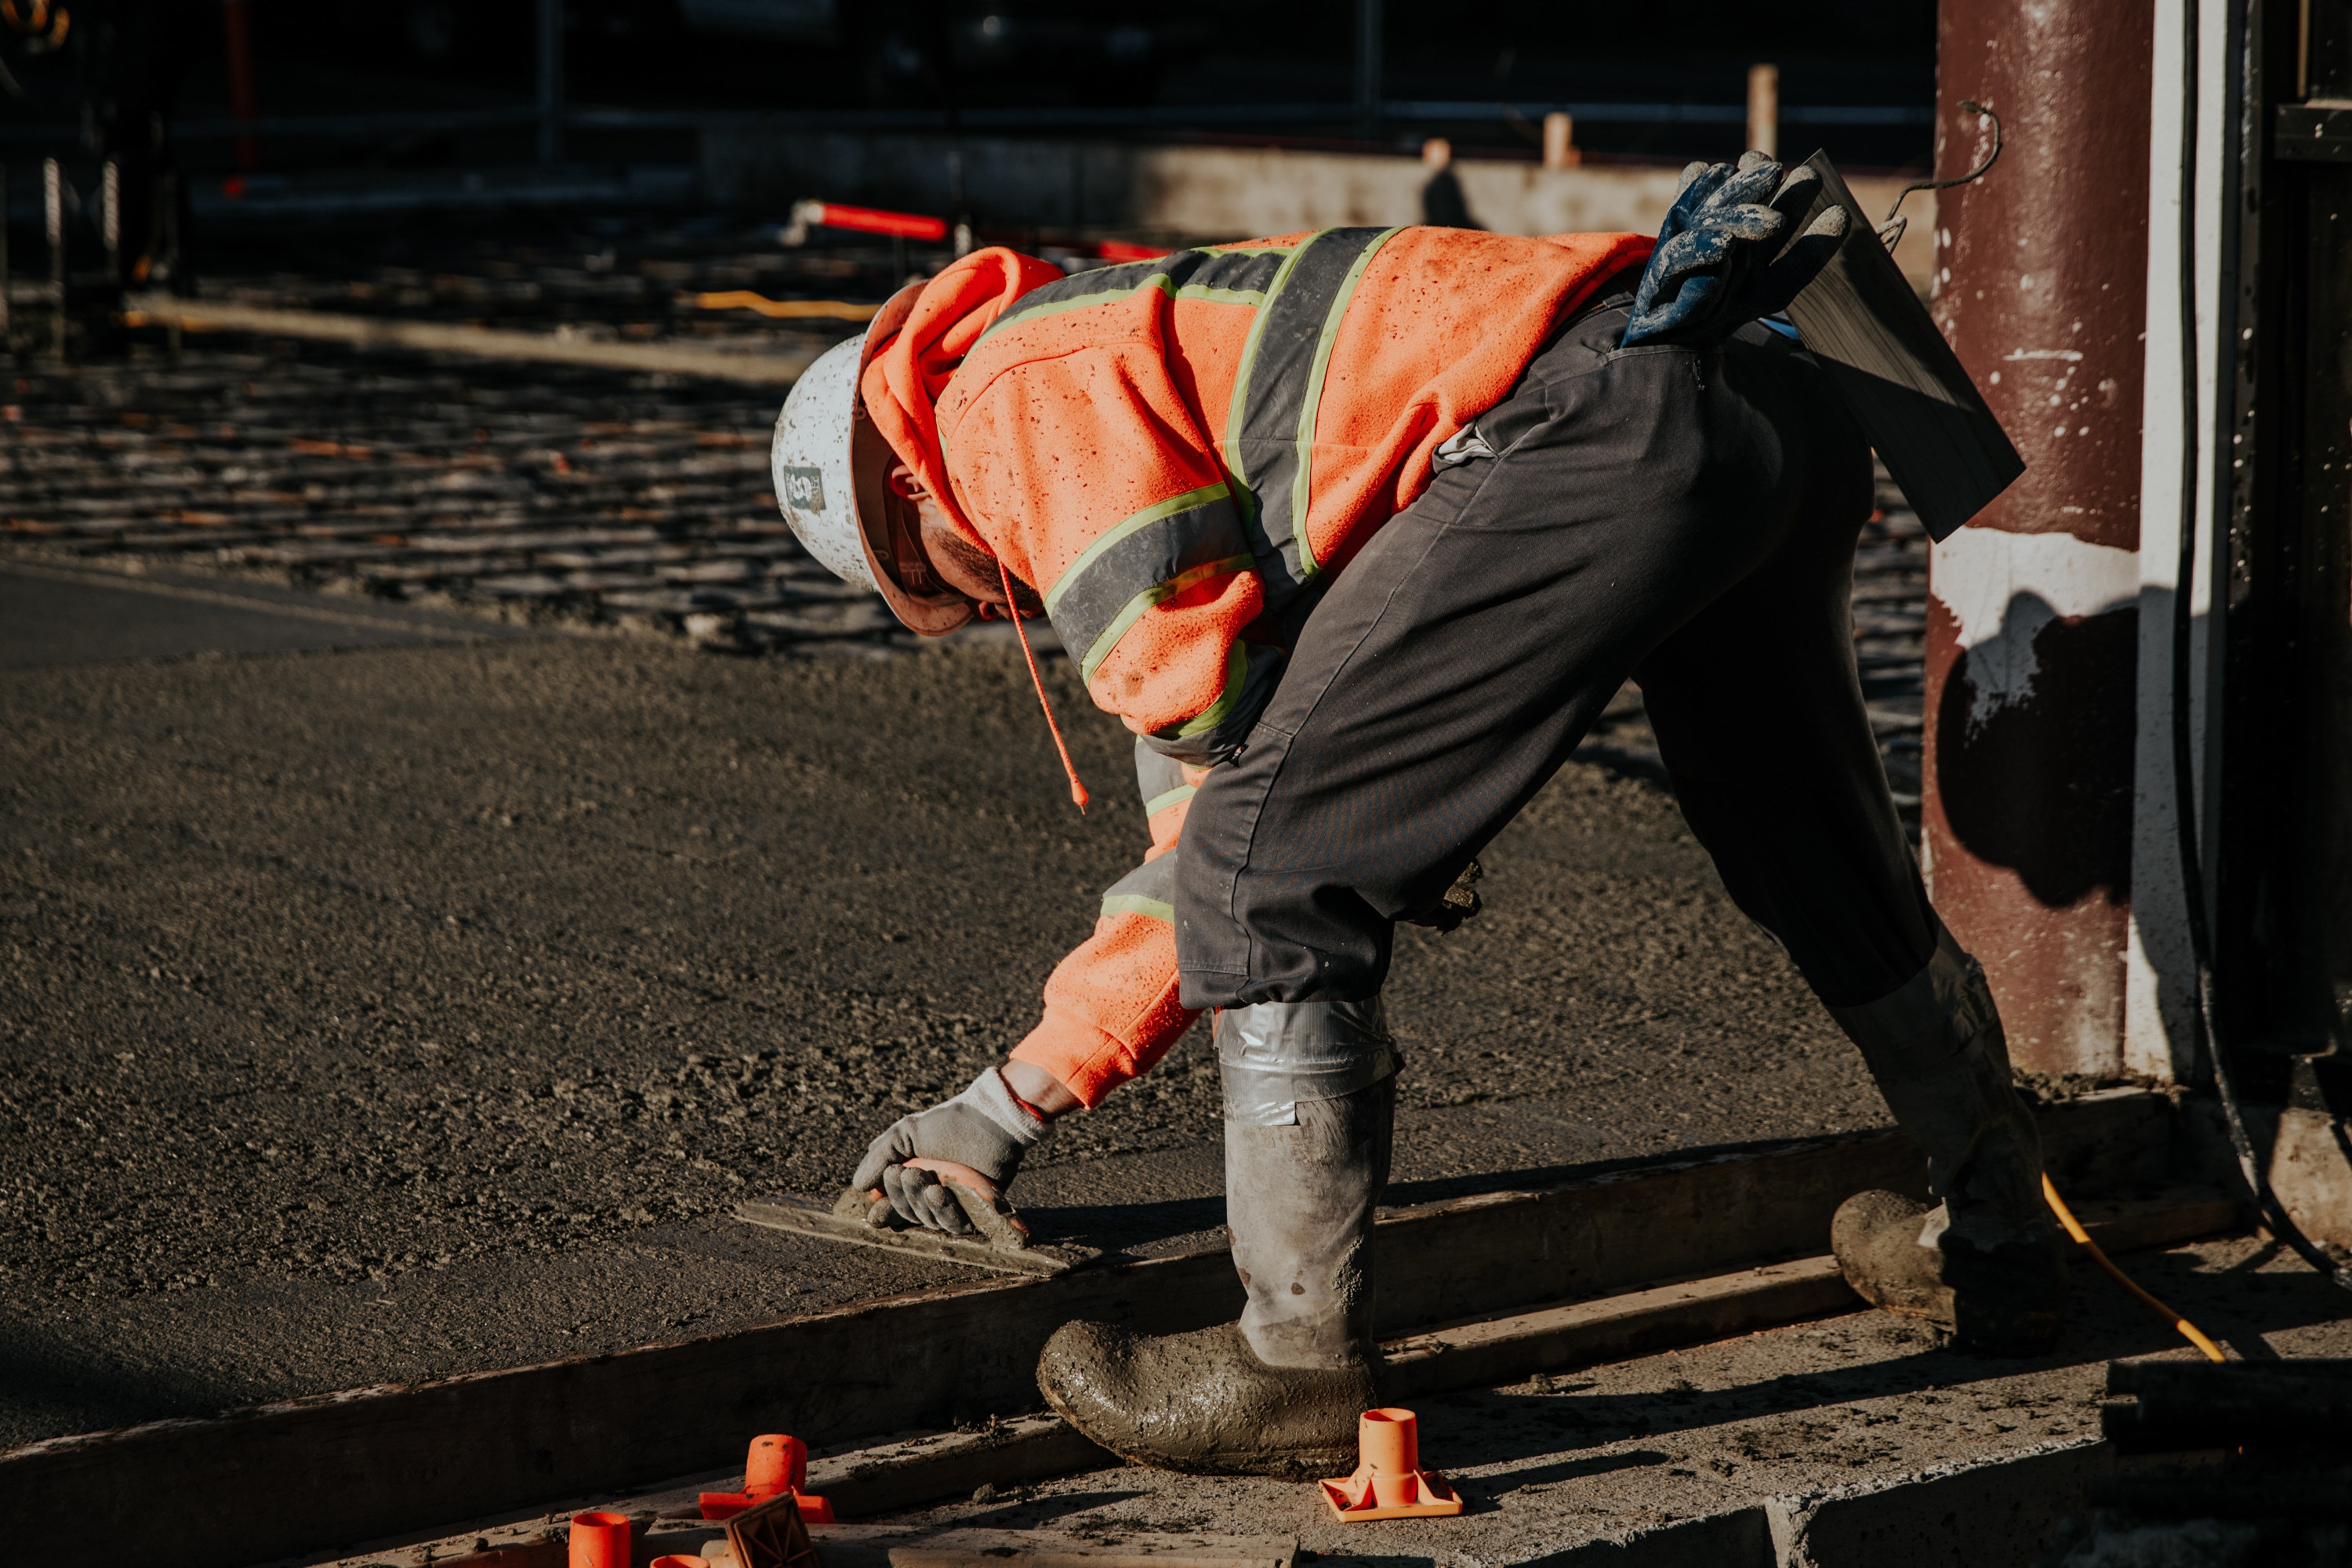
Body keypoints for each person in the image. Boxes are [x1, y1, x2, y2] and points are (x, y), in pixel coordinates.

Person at [767, 154, 2067, 1477]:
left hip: (1601, 419)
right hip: (1761, 394)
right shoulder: (1133, 348)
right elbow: (1230, 777)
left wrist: (1004, 1104)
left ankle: (1293, 1364)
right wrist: (1012, 1103)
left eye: (940, 585)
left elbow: (1231, 829)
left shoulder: (1008, 412)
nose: (994, 607)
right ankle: (2004, 1230)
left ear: (907, 492)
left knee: (1272, 878)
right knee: (1812, 849)